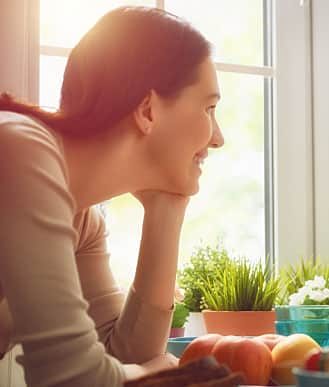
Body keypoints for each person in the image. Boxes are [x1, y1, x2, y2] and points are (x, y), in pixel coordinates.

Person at [0, 6, 224, 386]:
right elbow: (77, 379)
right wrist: (153, 372)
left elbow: (118, 359)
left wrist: (165, 212)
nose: (218, 138)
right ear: (148, 109)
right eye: (209, 108)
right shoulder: (20, 148)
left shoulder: (82, 220)